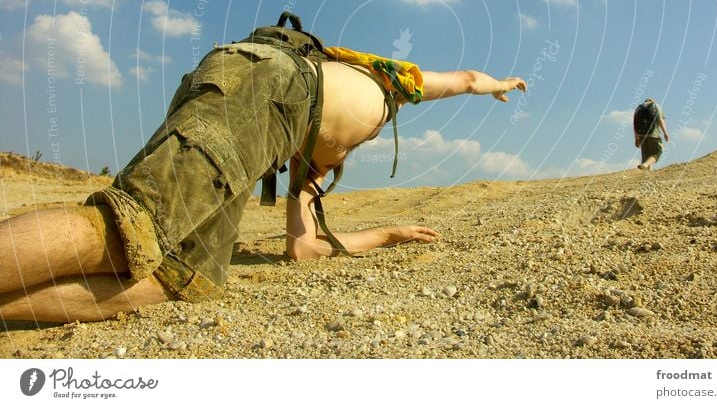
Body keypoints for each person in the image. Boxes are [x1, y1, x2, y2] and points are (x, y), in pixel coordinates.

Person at [0, 31, 526, 323]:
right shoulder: (390, 78)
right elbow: (463, 79)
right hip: (270, 86)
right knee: (130, 229)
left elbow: (303, 248)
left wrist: (387, 234)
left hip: (257, 101)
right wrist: (498, 82)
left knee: (183, 279)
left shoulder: (305, 162)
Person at [633, 98, 670, 171]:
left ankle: (647, 174)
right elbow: (660, 120)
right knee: (657, 152)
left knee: (646, 156)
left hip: (641, 135)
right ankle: (645, 164)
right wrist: (665, 133)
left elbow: (635, 125)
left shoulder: (638, 109)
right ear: (652, 101)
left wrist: (636, 139)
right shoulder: (655, 106)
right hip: (653, 134)